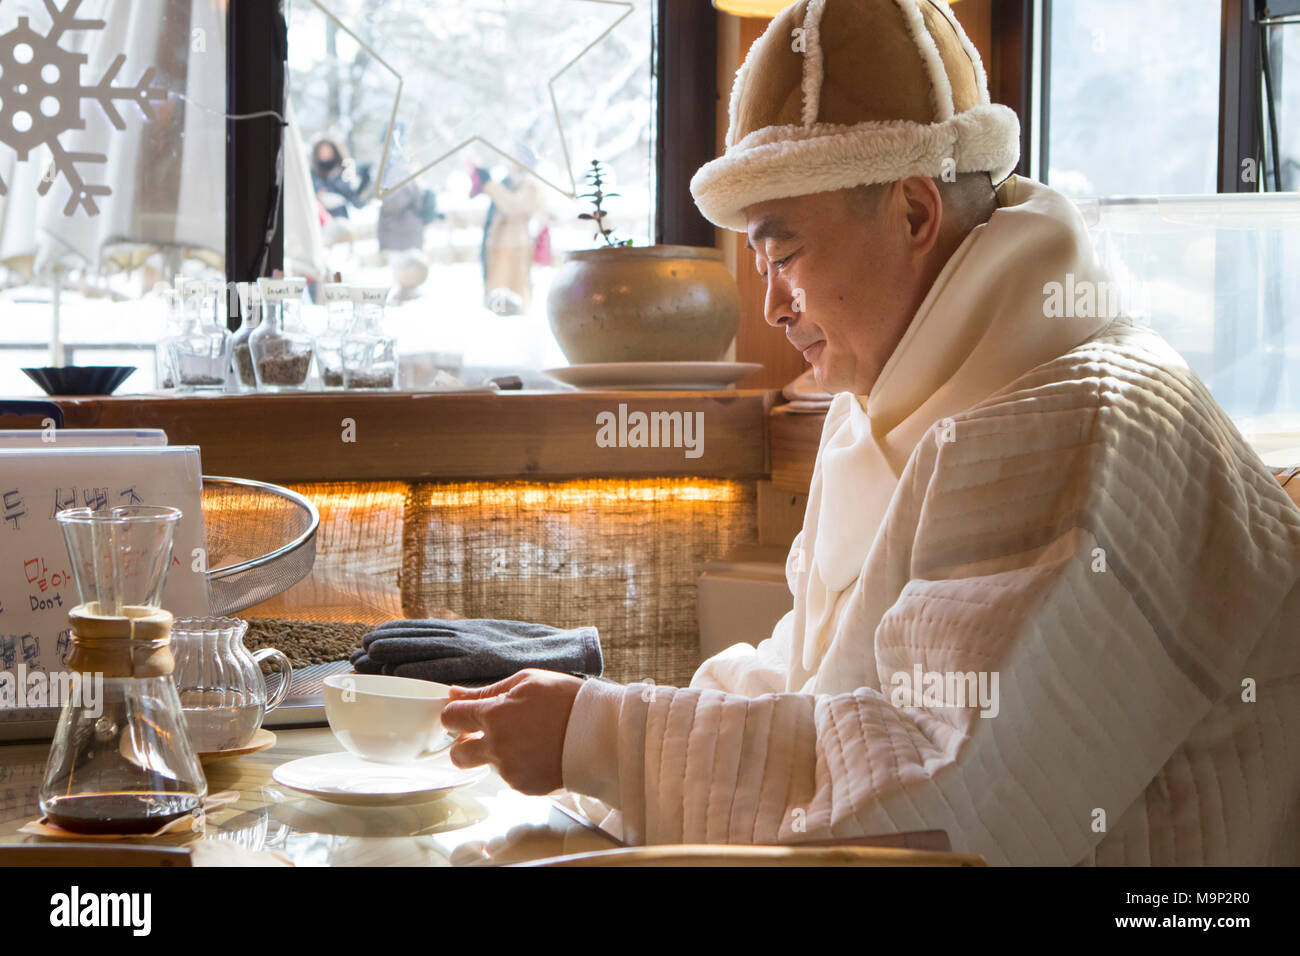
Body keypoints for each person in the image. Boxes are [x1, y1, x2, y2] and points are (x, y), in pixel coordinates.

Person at [440, 0, 1300, 865]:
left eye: (784, 255)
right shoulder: (924, 388)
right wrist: (592, 726)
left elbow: (934, 799)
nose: (772, 305)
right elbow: (814, 677)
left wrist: (603, 739)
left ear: (916, 213)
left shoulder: (1065, 423)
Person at [310, 137, 370, 219]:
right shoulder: (314, 174)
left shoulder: (344, 171)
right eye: (322, 151)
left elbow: (354, 197)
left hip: (341, 216)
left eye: (328, 151)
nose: (325, 154)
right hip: (321, 216)